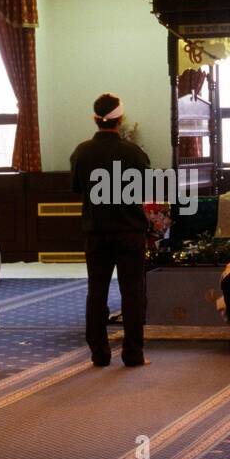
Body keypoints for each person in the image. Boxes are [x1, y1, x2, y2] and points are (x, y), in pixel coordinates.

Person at [70, 92, 150, 368]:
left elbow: (78, 188)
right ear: (121, 119)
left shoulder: (82, 152)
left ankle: (99, 355)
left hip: (96, 233)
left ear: (95, 119)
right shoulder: (133, 152)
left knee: (97, 292)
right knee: (132, 293)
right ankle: (133, 354)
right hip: (130, 232)